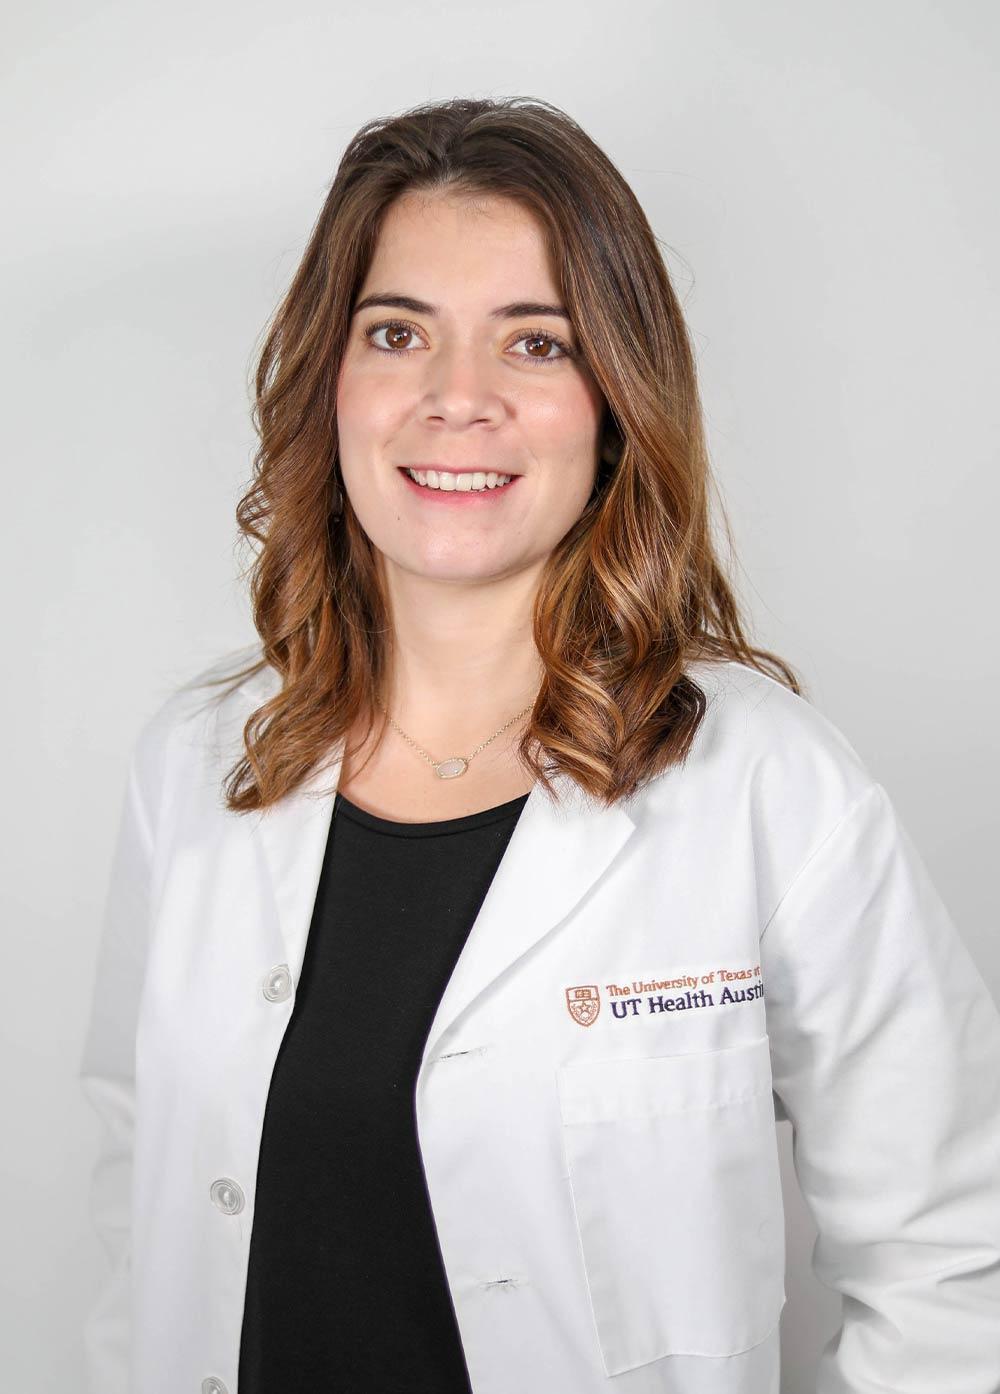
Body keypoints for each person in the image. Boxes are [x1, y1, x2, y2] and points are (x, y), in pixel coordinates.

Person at [78, 96, 1000, 1394]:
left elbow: (952, 1260)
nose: (459, 399)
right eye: (398, 333)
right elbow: (141, 1197)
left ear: (614, 400)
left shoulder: (770, 786)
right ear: (329, 380)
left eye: (536, 342)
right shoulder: (192, 765)